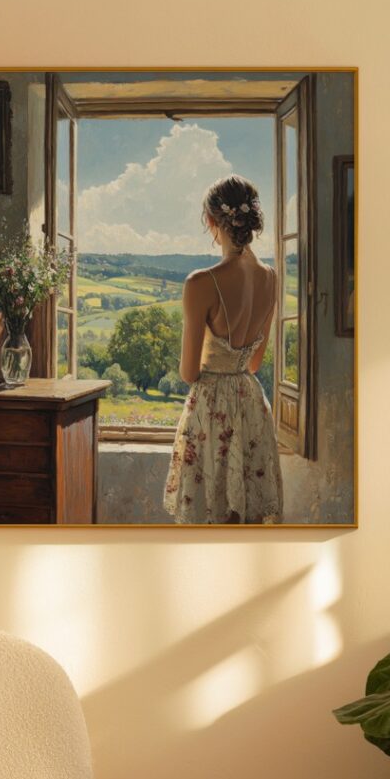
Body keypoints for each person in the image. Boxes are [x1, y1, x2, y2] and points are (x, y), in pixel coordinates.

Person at [163, 175, 283, 525]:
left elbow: (189, 373)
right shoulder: (271, 278)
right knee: (247, 515)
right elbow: (255, 363)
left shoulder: (200, 282)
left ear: (211, 220)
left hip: (212, 406)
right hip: (250, 404)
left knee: (210, 516)